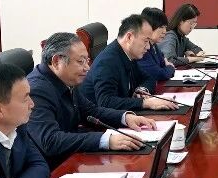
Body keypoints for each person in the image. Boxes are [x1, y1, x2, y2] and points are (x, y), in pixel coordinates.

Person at [26, 32, 160, 169]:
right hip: (52, 169)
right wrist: (106, 140)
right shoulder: (36, 90)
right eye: (80, 62)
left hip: (72, 157)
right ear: (56, 61)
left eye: (87, 60)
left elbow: (90, 112)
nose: (87, 68)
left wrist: (125, 118)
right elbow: (50, 141)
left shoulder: (65, 79)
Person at [82, 14, 179, 114]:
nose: (148, 47)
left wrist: (141, 90)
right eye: (146, 41)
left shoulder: (128, 55)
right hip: (96, 120)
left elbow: (149, 78)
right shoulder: (107, 62)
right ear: (129, 37)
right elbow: (106, 102)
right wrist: (145, 103)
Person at [137, 7, 177, 84]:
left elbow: (163, 66)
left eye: (165, 27)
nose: (164, 31)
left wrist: (166, 68)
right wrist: (170, 67)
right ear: (148, 26)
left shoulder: (154, 45)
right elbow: (159, 74)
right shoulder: (142, 48)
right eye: (161, 27)